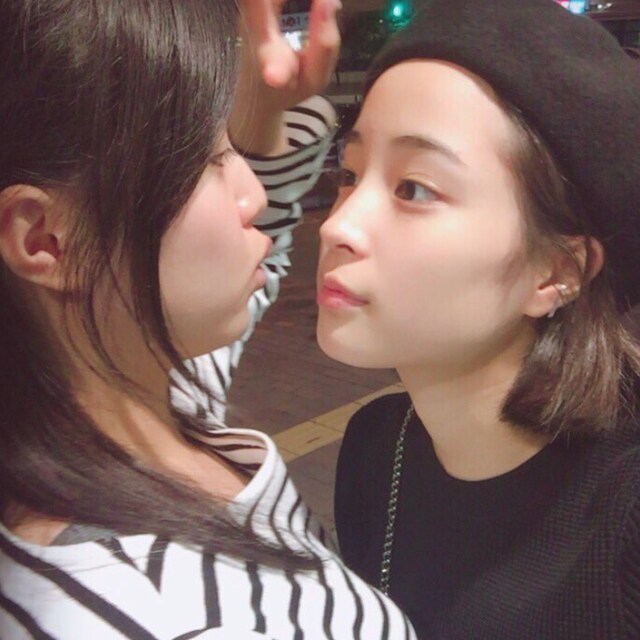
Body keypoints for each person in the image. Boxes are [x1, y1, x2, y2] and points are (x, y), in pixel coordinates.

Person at [0, 1, 418, 638]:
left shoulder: (149, 397)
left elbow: (254, 250)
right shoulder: (159, 615)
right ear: (47, 240)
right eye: (205, 159)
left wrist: (266, 111)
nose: (252, 193)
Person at [316, 1, 640, 638]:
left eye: (414, 188)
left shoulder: (622, 518)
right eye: (349, 174)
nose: (337, 225)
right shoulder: (375, 452)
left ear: (555, 271)